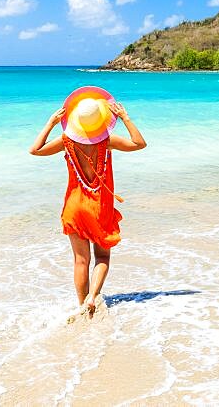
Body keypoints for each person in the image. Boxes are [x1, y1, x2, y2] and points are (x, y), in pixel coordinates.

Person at [29, 86, 147, 316]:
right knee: (102, 256)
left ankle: (83, 306)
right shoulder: (107, 141)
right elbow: (139, 143)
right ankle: (93, 296)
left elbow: (35, 150)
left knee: (80, 261)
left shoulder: (66, 141)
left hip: (74, 207)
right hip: (99, 207)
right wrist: (125, 118)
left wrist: (51, 123)